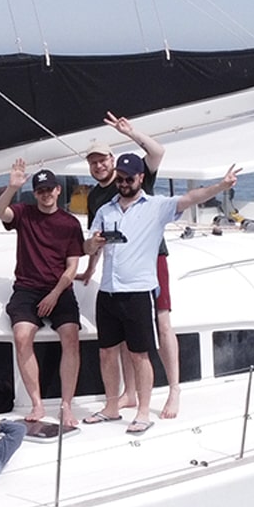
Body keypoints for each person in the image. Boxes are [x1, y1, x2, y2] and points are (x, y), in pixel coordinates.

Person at [84, 152, 238, 430]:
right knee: (106, 352)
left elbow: (191, 198)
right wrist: (93, 244)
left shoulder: (156, 206)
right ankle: (111, 407)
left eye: (129, 179)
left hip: (138, 291)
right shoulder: (106, 210)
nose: (124, 184)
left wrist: (221, 186)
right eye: (120, 179)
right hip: (108, 291)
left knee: (139, 354)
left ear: (141, 178)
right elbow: (87, 246)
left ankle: (143, 412)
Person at [80, 113, 177, 414]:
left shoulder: (134, 174)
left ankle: (174, 390)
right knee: (122, 333)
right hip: (118, 269)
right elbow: (97, 237)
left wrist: (131, 132)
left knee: (162, 322)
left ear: (112, 160)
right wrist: (91, 267)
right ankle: (129, 393)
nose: (99, 166)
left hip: (151, 259)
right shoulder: (95, 197)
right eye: (93, 163)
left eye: (102, 160)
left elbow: (157, 152)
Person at [0, 160, 85, 428]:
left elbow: (72, 267)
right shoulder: (24, 214)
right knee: (22, 337)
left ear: (58, 190)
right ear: (35, 193)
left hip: (60, 289)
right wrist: (12, 187)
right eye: (40, 190)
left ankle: (66, 405)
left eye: (49, 189)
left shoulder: (70, 224)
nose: (46, 194)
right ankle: (37, 403)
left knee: (71, 337)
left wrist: (54, 294)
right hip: (27, 289)